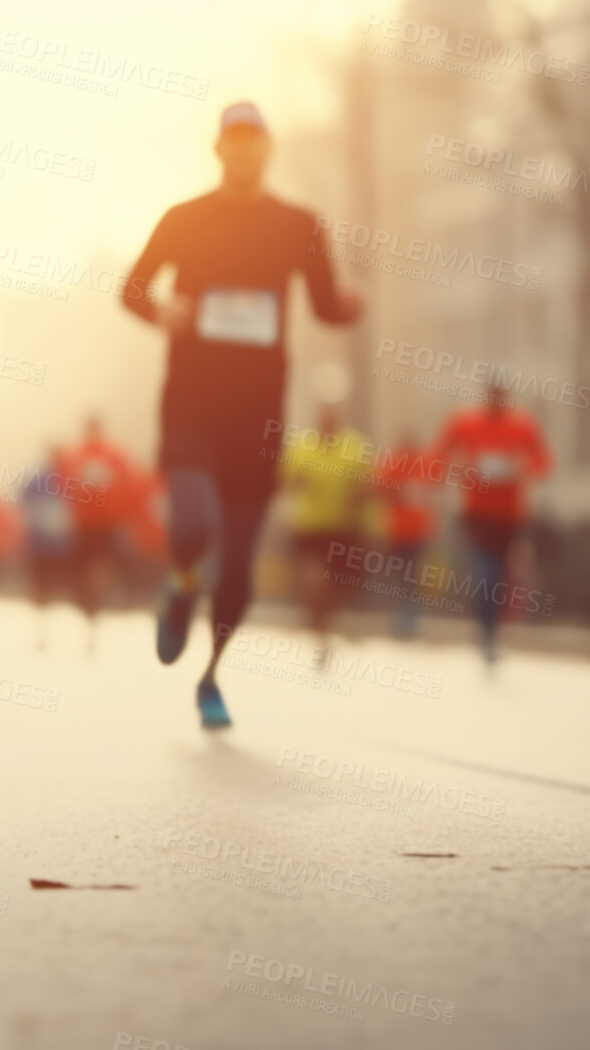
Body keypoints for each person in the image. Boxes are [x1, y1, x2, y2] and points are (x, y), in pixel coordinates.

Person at [121, 100, 363, 729]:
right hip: (192, 405)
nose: (246, 149)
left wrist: (352, 305)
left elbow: (326, 304)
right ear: (219, 148)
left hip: (258, 418)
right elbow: (132, 288)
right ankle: (178, 584)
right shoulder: (183, 219)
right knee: (195, 525)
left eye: (256, 139)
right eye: (235, 139)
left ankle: (211, 675)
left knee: (237, 574)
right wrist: (160, 312)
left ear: (269, 150)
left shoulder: (298, 224)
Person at [430, 382, 551, 665]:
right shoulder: (464, 422)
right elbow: (439, 456)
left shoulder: (522, 425)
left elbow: (543, 462)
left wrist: (520, 470)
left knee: (502, 574)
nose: (496, 399)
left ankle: (493, 630)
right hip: (477, 513)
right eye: (492, 394)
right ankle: (486, 632)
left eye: (501, 394)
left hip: (510, 515)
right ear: (486, 395)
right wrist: (463, 472)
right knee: (487, 570)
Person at [279, 404, 372, 649]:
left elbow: (367, 485)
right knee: (314, 578)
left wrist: (361, 497)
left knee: (337, 586)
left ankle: (324, 619)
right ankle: (317, 619)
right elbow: (286, 481)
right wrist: (297, 483)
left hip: (342, 528)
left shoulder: (355, 446)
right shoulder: (301, 446)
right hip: (309, 528)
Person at [56, 416, 142, 648]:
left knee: (105, 567)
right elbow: (63, 486)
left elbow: (129, 486)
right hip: (84, 524)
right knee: (81, 572)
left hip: (106, 524)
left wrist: (125, 516)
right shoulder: (76, 456)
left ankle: (106, 601)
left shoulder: (112, 455)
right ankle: (90, 606)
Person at [378, 433, 437, 638]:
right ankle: (404, 612)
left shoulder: (424, 465)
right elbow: (381, 487)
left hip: (417, 533)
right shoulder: (395, 465)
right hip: (399, 532)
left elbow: (433, 489)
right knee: (403, 574)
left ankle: (408, 614)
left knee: (409, 575)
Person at [20, 446, 77, 650]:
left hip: (61, 547)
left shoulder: (70, 478)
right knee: (44, 590)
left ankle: (53, 630)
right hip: (44, 545)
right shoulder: (39, 479)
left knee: (52, 590)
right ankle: (43, 631)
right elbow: (23, 502)